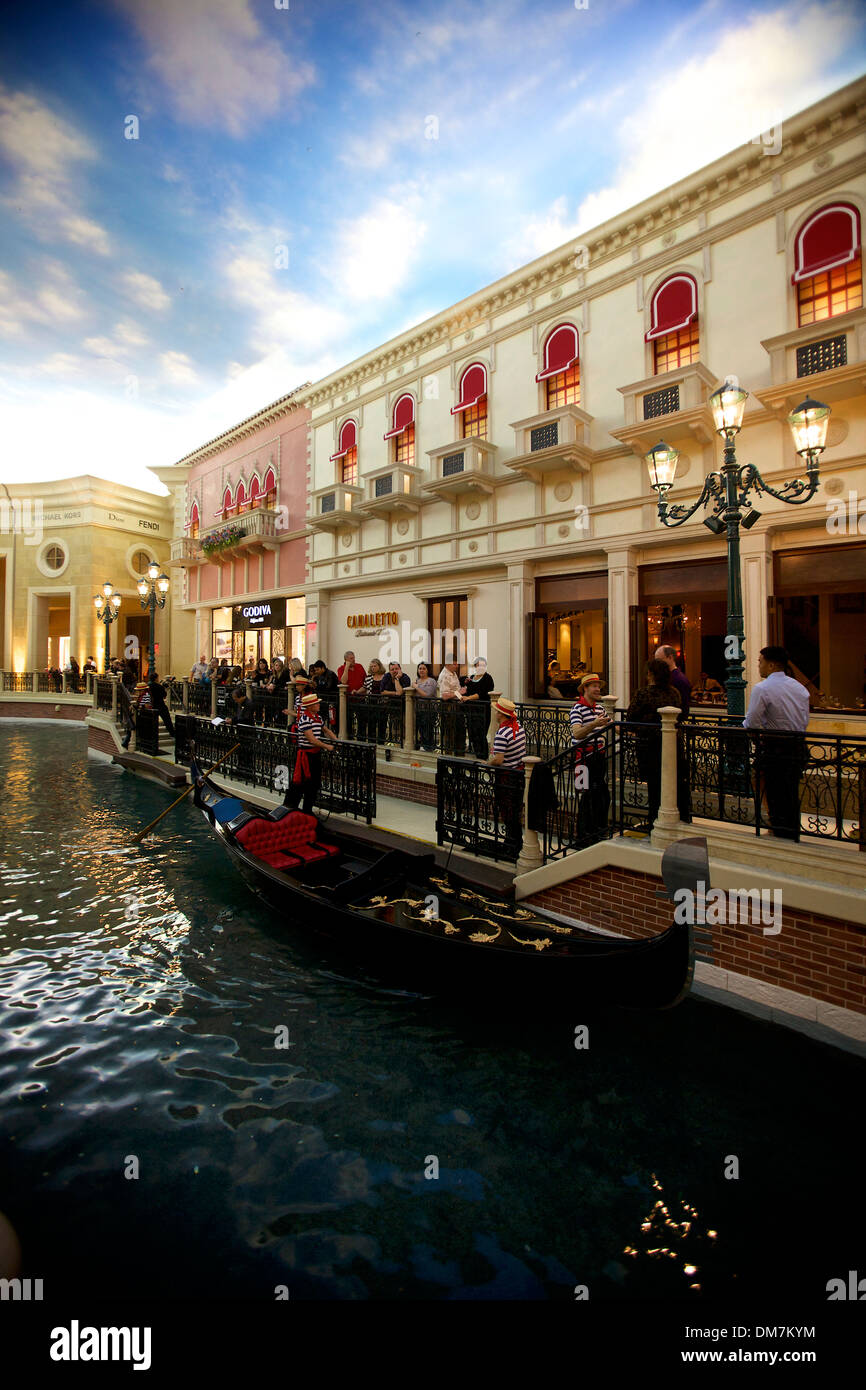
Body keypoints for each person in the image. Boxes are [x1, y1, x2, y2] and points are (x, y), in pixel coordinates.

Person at [744, 645, 810, 841]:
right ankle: (790, 828)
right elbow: (804, 719)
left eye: (760, 662)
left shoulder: (762, 688)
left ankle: (777, 827)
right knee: (789, 788)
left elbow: (753, 720)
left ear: (771, 665)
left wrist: (753, 730)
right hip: (797, 745)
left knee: (771, 787)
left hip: (775, 745)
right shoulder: (800, 688)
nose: (758, 666)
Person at [626, 659, 682, 832]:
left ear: (650, 674)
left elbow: (631, 718)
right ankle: (672, 815)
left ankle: (655, 819)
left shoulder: (644, 694)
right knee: (671, 781)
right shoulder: (673, 693)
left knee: (654, 782)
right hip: (673, 745)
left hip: (649, 744)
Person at [569, 673, 612, 840]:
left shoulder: (600, 709)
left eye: (598, 686)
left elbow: (611, 725)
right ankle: (583, 834)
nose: (598, 689)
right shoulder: (577, 709)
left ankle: (597, 828)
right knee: (584, 795)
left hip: (598, 758)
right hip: (582, 759)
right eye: (594, 686)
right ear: (585, 689)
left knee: (601, 794)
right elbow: (577, 733)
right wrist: (594, 724)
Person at [284, 692, 338, 815]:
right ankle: (293, 809)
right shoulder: (304, 719)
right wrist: (327, 746)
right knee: (302, 783)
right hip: (306, 756)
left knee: (314, 783)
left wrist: (337, 741)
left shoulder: (318, 718)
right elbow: (312, 740)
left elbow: (327, 730)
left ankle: (307, 809)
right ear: (310, 706)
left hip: (315, 755)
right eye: (316, 703)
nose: (319, 705)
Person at [654, 645, 692, 820]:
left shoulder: (679, 681)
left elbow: (682, 711)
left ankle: (680, 812)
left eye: (659, 659)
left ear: (670, 658)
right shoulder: (670, 679)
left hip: (671, 734)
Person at [489, 697, 527, 858]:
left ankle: (511, 844)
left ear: (501, 714)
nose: (496, 713)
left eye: (497, 711)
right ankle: (515, 842)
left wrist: (488, 763)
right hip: (519, 774)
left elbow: (499, 759)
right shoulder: (519, 728)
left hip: (507, 777)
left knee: (507, 811)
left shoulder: (502, 733)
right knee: (515, 810)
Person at [461, 656, 495, 758]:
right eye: (478, 665)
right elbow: (464, 687)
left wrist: (469, 698)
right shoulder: (471, 678)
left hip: (482, 711)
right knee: (472, 733)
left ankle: (483, 756)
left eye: (483, 665)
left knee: (481, 733)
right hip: (471, 710)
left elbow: (484, 693)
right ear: (475, 666)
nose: (480, 666)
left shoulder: (488, 678)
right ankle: (476, 754)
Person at [654, 645, 691, 719]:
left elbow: (682, 707)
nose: (656, 664)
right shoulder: (668, 677)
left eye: (659, 660)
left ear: (670, 657)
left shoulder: (678, 679)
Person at [437, 660, 465, 755]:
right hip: (448, 707)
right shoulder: (445, 675)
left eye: (457, 663)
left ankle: (458, 753)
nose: (457, 666)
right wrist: (459, 693)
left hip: (456, 706)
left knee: (458, 731)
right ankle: (448, 755)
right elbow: (444, 696)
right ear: (447, 664)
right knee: (449, 732)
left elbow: (455, 688)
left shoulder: (453, 673)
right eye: (454, 664)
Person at [413, 661, 438, 752]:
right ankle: (423, 746)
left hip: (429, 709)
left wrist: (416, 687)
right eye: (420, 668)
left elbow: (427, 695)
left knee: (428, 730)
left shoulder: (431, 681)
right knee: (421, 729)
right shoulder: (417, 680)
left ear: (428, 670)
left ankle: (429, 748)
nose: (421, 670)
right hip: (419, 709)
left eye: (424, 668)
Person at [146, 670, 175, 739]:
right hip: (160, 705)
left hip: (153, 705)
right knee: (167, 720)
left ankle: (152, 735)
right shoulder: (159, 686)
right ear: (156, 678)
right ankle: (172, 733)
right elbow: (164, 695)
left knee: (153, 721)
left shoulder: (148, 686)